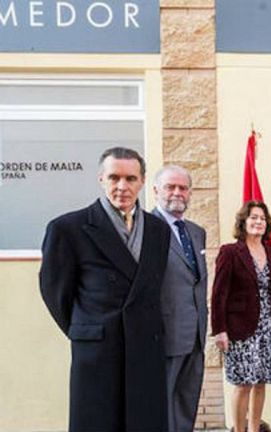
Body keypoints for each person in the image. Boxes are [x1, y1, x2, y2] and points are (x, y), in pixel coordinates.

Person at [39, 147, 171, 431]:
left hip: (146, 345)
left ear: (143, 182)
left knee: (144, 421)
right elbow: (55, 292)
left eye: (130, 178)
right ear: (101, 179)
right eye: (114, 178)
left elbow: (153, 287)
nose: (122, 186)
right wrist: (90, 328)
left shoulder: (159, 230)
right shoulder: (68, 228)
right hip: (98, 349)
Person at [211, 201, 271, 432]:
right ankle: (239, 429)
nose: (258, 222)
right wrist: (220, 329)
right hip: (240, 329)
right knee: (243, 384)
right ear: (243, 222)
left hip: (268, 327)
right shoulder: (230, 252)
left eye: (262, 219)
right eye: (253, 218)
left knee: (261, 382)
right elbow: (218, 294)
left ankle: (254, 429)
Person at [152, 165, 208, 432]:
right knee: (161, 405)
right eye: (170, 187)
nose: (177, 193)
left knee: (187, 401)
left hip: (195, 334)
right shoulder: (146, 229)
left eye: (183, 188)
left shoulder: (196, 232)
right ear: (155, 191)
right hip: (164, 335)